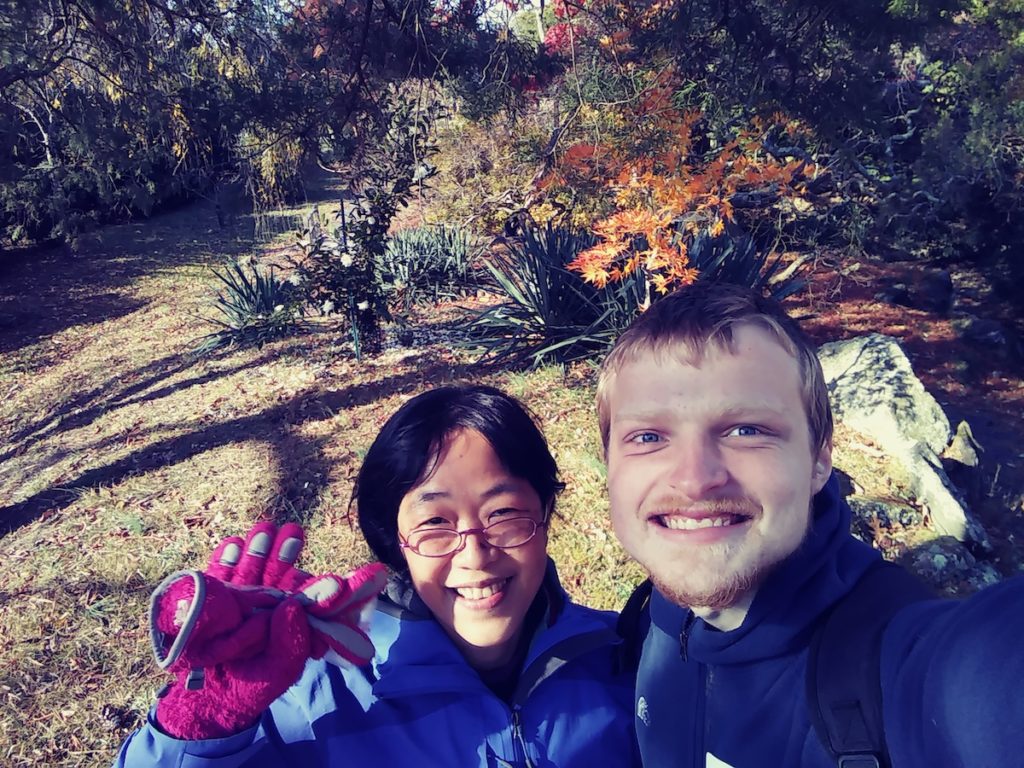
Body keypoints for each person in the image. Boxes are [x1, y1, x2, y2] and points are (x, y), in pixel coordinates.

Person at [596, 281, 1023, 768]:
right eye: (648, 436)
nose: (694, 480)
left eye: (746, 430)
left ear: (819, 460)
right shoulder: (658, 619)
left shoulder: (899, 668)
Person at [114, 384, 639, 767]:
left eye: (503, 514)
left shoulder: (623, 659)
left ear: (545, 514)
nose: (474, 554)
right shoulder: (318, 695)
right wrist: (206, 719)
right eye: (435, 523)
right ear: (396, 540)